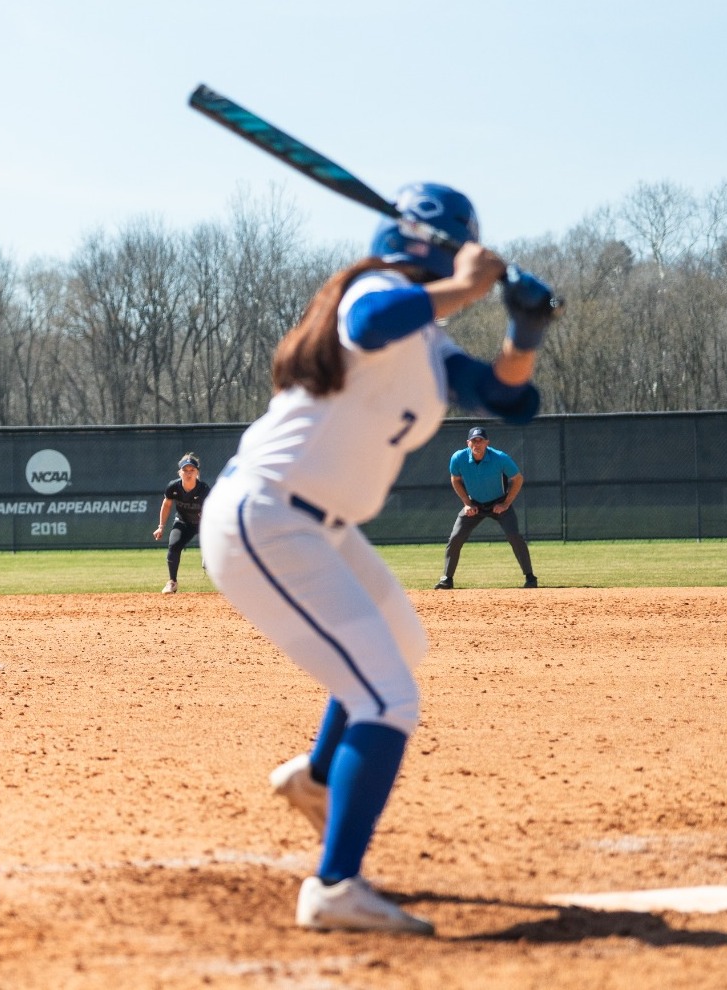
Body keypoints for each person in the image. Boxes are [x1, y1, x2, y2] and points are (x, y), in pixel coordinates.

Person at [199, 183, 558, 934]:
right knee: (387, 700)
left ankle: (319, 778)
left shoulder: (431, 342)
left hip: (321, 526)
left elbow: (507, 400)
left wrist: (523, 333)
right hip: (267, 516)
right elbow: (369, 319)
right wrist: (468, 285)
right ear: (444, 248)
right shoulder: (377, 289)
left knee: (402, 643)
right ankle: (334, 887)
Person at [436, 427, 536, 589]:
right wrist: (467, 503)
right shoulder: (458, 458)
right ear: (468, 443)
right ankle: (447, 579)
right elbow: (455, 479)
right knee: (455, 537)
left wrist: (505, 504)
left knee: (514, 535)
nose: (477, 444)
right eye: (474, 440)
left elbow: (517, 479)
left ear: (487, 443)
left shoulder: (500, 458)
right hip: (474, 504)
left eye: (480, 440)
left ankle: (530, 577)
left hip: (499, 504)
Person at [152, 453, 210, 593]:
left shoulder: (203, 489)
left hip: (203, 523)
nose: (188, 473)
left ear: (197, 472)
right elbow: (166, 505)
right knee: (174, 545)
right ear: (180, 472)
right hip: (184, 522)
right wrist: (161, 527)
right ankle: (172, 582)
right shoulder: (174, 487)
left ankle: (209, 555)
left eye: (192, 470)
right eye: (185, 470)